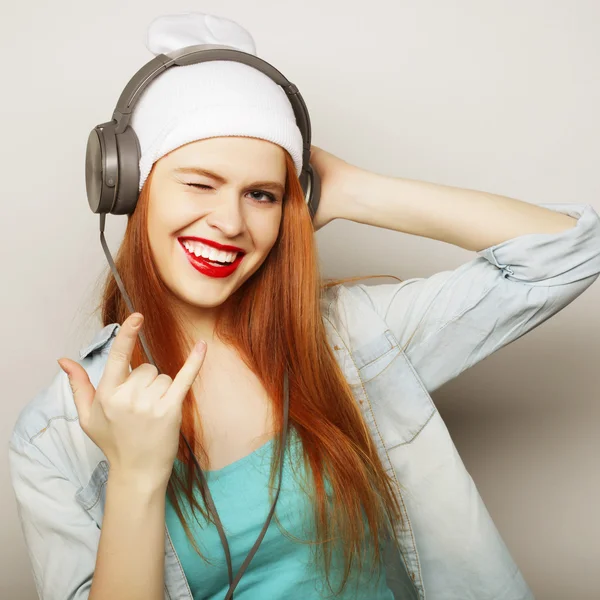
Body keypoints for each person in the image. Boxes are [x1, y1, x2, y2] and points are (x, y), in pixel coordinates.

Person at [7, 11, 600, 600]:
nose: (230, 223)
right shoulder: (53, 436)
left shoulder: (354, 336)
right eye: (199, 183)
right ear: (129, 186)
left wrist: (348, 189)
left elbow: (572, 250)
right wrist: (135, 476)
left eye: (261, 195)